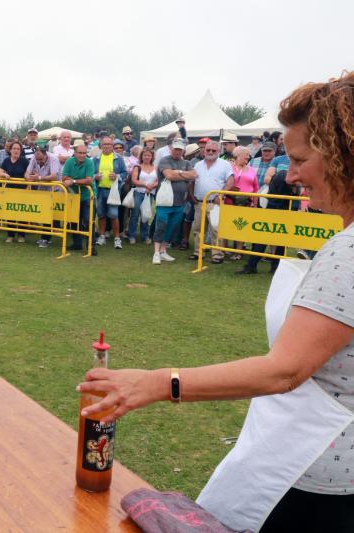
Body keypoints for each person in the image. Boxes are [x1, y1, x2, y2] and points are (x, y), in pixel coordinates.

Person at [77, 72, 354, 532]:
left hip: (313, 474)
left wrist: (157, 383)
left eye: (301, 159)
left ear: (344, 158)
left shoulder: (349, 251)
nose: (290, 174)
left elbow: (285, 369)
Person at [152, 138, 195, 264]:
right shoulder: (165, 160)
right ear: (171, 148)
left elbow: (194, 175)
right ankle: (156, 252)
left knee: (173, 227)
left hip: (180, 202)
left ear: (183, 150)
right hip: (165, 201)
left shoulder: (186, 163)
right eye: (175, 149)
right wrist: (182, 174)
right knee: (161, 225)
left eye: (180, 149)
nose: (177, 151)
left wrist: (178, 172)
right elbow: (168, 175)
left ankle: (163, 250)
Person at [189, 140, 233, 264]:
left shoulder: (225, 164)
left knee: (216, 229)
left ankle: (217, 254)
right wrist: (192, 195)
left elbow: (230, 181)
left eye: (213, 150)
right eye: (208, 150)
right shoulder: (198, 165)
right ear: (204, 150)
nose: (210, 152)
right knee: (198, 229)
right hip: (199, 202)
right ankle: (198, 252)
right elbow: (192, 181)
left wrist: (221, 195)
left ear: (218, 151)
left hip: (215, 202)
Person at [92, 136, 128, 249]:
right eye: (104, 144)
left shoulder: (119, 158)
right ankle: (102, 236)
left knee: (113, 215)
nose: (107, 146)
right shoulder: (96, 159)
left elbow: (125, 173)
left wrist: (117, 176)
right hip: (100, 190)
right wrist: (95, 176)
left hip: (113, 190)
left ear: (112, 146)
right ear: (101, 146)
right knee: (101, 214)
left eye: (109, 144)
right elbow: (91, 174)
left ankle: (117, 238)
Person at [61, 143, 96, 254]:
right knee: (74, 220)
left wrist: (73, 181)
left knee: (88, 220)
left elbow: (89, 180)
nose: (82, 155)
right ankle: (77, 244)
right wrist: (78, 180)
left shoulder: (89, 162)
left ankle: (92, 246)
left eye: (84, 153)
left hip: (87, 195)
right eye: (80, 153)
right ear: (74, 153)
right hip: (74, 195)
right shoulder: (69, 162)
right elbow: (63, 178)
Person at [25, 147, 62, 248]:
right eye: (37, 160)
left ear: (46, 155)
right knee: (46, 215)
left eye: (41, 159)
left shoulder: (53, 158)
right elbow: (27, 173)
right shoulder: (34, 157)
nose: (39, 161)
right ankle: (48, 236)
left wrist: (39, 178)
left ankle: (45, 238)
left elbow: (54, 176)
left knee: (51, 215)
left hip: (56, 190)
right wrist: (29, 178)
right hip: (43, 190)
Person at [0, 141, 30, 243]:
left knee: (21, 213)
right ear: (10, 150)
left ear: (20, 151)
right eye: (14, 148)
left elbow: (27, 173)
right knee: (10, 212)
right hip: (9, 191)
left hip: (22, 191)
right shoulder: (6, 160)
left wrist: (28, 177)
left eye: (18, 149)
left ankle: (21, 235)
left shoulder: (24, 161)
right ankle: (10, 235)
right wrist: (4, 175)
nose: (16, 150)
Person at [127, 148, 158, 245]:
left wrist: (152, 186)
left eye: (149, 155)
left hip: (149, 194)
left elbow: (158, 180)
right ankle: (131, 235)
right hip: (139, 193)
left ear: (152, 157)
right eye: (145, 155)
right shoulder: (137, 167)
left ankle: (145, 236)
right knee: (135, 214)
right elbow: (134, 180)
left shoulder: (155, 168)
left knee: (146, 214)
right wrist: (146, 185)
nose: (147, 157)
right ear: (141, 156)